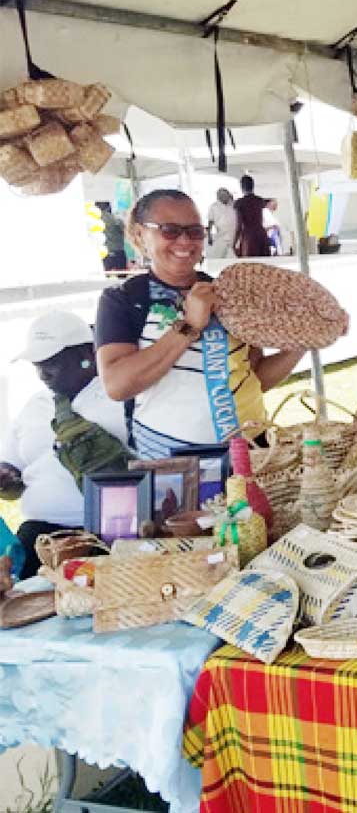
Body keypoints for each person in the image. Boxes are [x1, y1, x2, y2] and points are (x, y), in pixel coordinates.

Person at [95, 189, 306, 458]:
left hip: (252, 454)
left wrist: (302, 343)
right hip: (174, 465)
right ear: (139, 235)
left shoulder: (230, 293)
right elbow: (117, 385)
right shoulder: (124, 299)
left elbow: (255, 378)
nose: (184, 241)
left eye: (195, 231)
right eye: (169, 230)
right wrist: (189, 326)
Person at [0, 311, 128, 579]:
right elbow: (11, 471)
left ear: (86, 354)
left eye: (52, 362)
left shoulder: (120, 396)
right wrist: (6, 477)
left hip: (106, 536)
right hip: (39, 537)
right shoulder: (34, 405)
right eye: (37, 364)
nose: (42, 374)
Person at [233, 175, 272, 258]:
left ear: (241, 187)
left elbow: (239, 226)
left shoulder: (239, 203)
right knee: (265, 264)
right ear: (253, 186)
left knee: (250, 265)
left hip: (248, 237)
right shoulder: (260, 200)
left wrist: (234, 243)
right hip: (261, 234)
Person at [206, 187, 238, 259]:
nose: (224, 197)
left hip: (234, 236)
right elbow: (210, 222)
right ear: (218, 197)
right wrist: (209, 237)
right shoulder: (213, 206)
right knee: (220, 258)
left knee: (234, 258)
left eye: (226, 195)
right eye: (222, 195)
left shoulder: (234, 205)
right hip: (221, 237)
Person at [97, 202, 127, 273]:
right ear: (108, 207)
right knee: (122, 277)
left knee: (104, 278)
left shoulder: (93, 221)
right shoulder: (115, 219)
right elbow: (126, 232)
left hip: (102, 253)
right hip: (118, 251)